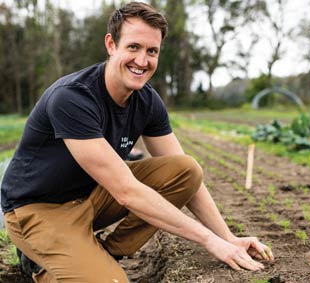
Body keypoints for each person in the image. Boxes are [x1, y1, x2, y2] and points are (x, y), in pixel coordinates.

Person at [1, 2, 274, 282]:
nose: (142, 61)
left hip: (90, 198)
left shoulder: (146, 100)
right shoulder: (73, 98)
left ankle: (107, 253)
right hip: (38, 210)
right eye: (133, 47)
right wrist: (208, 240)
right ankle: (41, 265)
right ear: (111, 44)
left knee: (186, 169)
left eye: (151, 51)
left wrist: (227, 237)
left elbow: (187, 180)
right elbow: (126, 192)